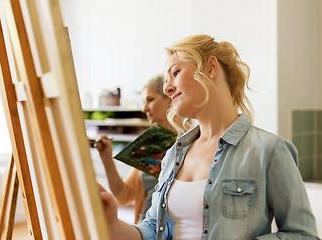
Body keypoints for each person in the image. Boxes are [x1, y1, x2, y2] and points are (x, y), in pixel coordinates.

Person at [98, 34, 320, 240]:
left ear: (211, 67)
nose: (167, 88)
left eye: (175, 73)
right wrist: (112, 224)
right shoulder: (173, 152)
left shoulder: (270, 150)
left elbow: (303, 235)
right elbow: (152, 229)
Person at [95, 75, 180, 224]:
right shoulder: (152, 143)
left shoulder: (193, 140)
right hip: (144, 231)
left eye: (150, 100)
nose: (144, 108)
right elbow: (123, 196)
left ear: (169, 98)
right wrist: (107, 158)